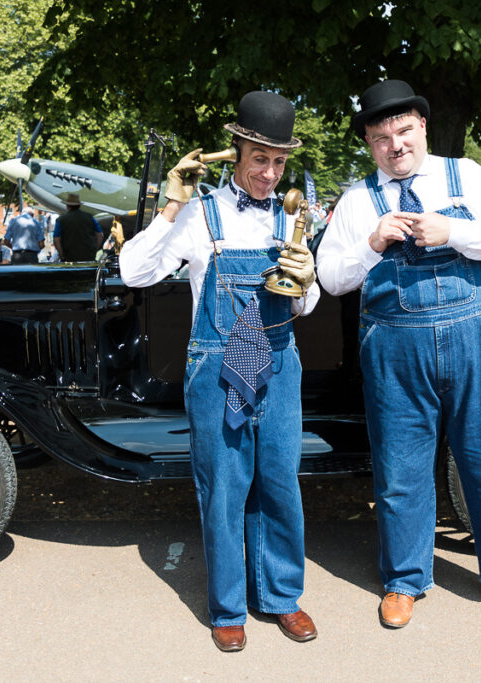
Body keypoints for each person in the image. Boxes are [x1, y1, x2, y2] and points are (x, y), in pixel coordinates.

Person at [316, 79, 481, 629]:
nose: (395, 145)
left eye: (403, 131)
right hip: (395, 347)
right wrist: (371, 242)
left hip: (474, 335)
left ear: (422, 126)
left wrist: (452, 229)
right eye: (381, 137)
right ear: (368, 143)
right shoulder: (357, 201)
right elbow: (331, 279)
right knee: (400, 468)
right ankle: (404, 581)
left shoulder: (465, 175)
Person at [119, 91, 320, 652]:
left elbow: (310, 304)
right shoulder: (199, 213)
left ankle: (282, 596)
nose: (270, 174)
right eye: (260, 159)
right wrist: (169, 205)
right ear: (236, 153)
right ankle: (228, 605)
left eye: (279, 162)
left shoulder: (292, 215)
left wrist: (307, 281)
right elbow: (134, 272)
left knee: (280, 481)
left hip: (280, 363)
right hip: (217, 364)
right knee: (225, 488)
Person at [53, 193, 101, 261]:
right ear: (79, 205)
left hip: (69, 257)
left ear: (67, 205)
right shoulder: (90, 217)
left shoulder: (61, 220)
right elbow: (100, 235)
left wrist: (61, 255)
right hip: (88, 257)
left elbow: (56, 239)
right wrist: (94, 249)